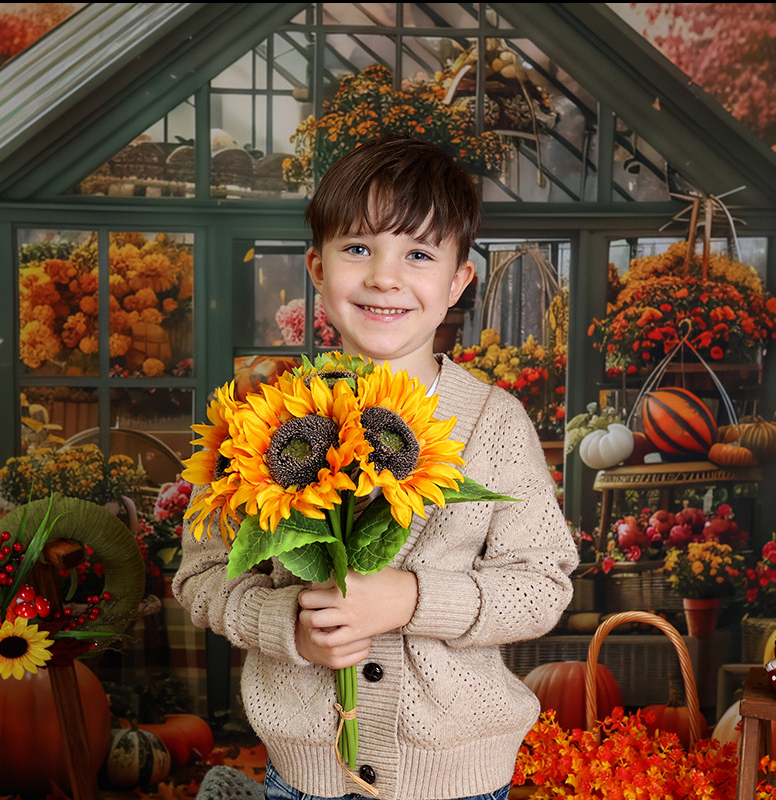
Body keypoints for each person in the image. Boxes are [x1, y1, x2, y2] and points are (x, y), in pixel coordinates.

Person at [173, 134, 578, 800]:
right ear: (317, 267)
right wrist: (290, 628)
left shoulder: (492, 424)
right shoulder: (258, 420)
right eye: (358, 248)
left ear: (457, 282)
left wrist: (412, 598)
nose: (385, 277)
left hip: (459, 782)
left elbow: (541, 586)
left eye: (418, 254)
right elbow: (201, 574)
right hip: (306, 779)